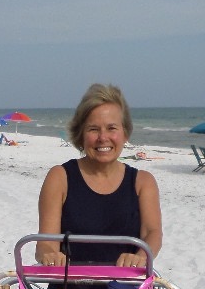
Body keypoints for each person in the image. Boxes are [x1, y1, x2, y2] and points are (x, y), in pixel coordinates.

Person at [36, 83, 162, 267]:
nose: (103, 137)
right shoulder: (60, 178)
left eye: (112, 128)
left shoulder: (143, 182)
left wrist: (141, 256)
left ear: (125, 133)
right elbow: (45, 243)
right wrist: (50, 255)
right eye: (93, 129)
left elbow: (153, 233)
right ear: (81, 135)